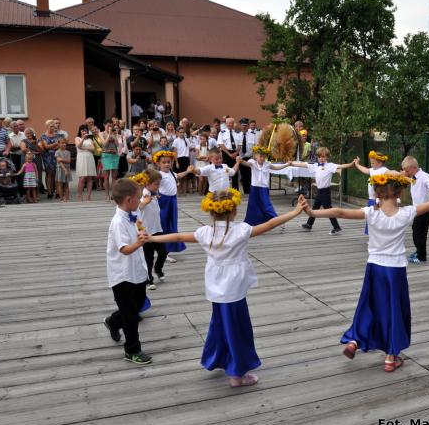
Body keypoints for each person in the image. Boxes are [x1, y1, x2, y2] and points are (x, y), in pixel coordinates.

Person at [144, 189, 309, 386]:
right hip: (235, 288)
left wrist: (152, 238)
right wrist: (297, 211)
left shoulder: (205, 232)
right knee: (237, 328)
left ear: (212, 212)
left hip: (216, 287)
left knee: (221, 324)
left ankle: (219, 358)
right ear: (233, 212)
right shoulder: (241, 230)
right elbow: (271, 223)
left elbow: (178, 237)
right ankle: (238, 374)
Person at [303, 173, 429, 371]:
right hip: (395, 270)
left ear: (377, 193)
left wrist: (312, 213)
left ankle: (354, 340)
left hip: (375, 267)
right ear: (399, 193)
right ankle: (390, 357)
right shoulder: (406, 213)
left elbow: (340, 212)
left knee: (368, 305)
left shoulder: (371, 213)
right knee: (395, 310)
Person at [103, 178, 151, 365]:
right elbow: (124, 249)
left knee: (137, 305)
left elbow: (139, 222)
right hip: (122, 274)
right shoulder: (118, 222)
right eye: (138, 198)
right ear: (129, 199)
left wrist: (142, 231)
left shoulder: (133, 211)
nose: (139, 201)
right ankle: (132, 351)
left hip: (137, 269)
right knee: (130, 315)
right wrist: (140, 243)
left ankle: (113, 322)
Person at [291, 148, 357, 235]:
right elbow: (304, 164)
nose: (321, 158)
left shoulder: (330, 166)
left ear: (327, 157)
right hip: (319, 191)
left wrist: (352, 164)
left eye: (323, 157)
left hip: (325, 191)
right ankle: (309, 224)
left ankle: (336, 227)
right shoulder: (315, 165)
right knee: (315, 208)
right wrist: (291, 163)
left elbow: (342, 166)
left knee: (328, 209)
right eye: (319, 157)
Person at [153, 150, 195, 255]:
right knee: (164, 224)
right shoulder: (159, 174)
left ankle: (169, 247)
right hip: (164, 202)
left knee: (172, 223)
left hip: (173, 201)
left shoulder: (171, 173)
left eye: (169, 162)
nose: (167, 164)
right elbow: (152, 183)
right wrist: (154, 193)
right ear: (158, 163)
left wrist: (188, 171)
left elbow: (179, 176)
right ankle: (162, 250)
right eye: (164, 162)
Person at [132, 169, 166, 290]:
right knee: (148, 257)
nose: (158, 186)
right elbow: (138, 207)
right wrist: (144, 202)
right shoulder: (144, 195)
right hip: (146, 232)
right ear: (147, 184)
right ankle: (148, 279)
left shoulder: (153, 194)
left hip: (157, 229)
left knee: (163, 252)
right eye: (156, 184)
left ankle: (158, 269)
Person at [240, 146, 291, 226]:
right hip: (255, 187)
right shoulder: (253, 163)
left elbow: (277, 168)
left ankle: (276, 220)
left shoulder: (267, 164)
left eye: (264, 157)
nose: (262, 158)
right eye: (260, 156)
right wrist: (240, 160)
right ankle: (252, 222)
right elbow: (245, 163)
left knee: (266, 204)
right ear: (256, 156)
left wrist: (287, 164)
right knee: (253, 205)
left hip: (263, 188)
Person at [400, 156, 429, 264]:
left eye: (407, 170)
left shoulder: (424, 176)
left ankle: (421, 256)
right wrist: (402, 175)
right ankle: (418, 250)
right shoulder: (414, 176)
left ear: (414, 167)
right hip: (417, 209)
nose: (406, 172)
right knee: (415, 231)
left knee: (420, 233)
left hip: (424, 209)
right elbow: (410, 180)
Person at [354, 151, 390, 235]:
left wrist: (400, 174)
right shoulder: (372, 170)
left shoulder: (384, 170)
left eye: (373, 163)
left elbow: (393, 173)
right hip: (371, 199)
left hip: (378, 200)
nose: (371, 164)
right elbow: (365, 170)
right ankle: (372, 235)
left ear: (380, 162)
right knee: (371, 218)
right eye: (371, 163)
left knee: (377, 218)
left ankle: (379, 234)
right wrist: (357, 164)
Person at [19, 128, 45, 195]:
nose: (29, 134)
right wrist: (35, 152)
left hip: (37, 160)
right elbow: (24, 149)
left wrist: (36, 144)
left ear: (33, 133)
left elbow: (41, 151)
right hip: (27, 160)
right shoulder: (23, 141)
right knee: (26, 175)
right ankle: (27, 193)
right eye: (27, 133)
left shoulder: (38, 140)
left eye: (30, 133)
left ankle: (37, 193)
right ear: (25, 134)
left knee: (37, 175)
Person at [40, 120, 61, 199]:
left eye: (53, 126)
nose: (53, 127)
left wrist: (52, 146)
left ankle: (57, 192)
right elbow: (46, 147)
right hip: (47, 157)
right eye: (51, 126)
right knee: (49, 174)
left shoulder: (58, 135)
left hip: (56, 156)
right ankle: (49, 192)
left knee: (56, 174)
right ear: (47, 126)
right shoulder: (43, 136)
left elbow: (59, 146)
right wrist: (55, 144)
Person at [75, 125, 96, 202]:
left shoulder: (90, 140)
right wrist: (83, 138)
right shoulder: (77, 138)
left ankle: (88, 196)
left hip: (89, 158)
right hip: (81, 158)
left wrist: (84, 148)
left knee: (90, 178)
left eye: (85, 130)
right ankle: (79, 196)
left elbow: (93, 149)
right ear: (80, 131)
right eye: (82, 130)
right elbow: (79, 146)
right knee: (82, 178)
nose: (84, 132)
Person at [100, 122, 120, 201]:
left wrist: (114, 135)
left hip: (114, 155)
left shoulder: (114, 134)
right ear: (104, 125)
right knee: (106, 176)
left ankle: (113, 194)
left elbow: (117, 144)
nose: (109, 127)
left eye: (111, 126)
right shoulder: (101, 133)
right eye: (108, 125)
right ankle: (107, 195)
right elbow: (104, 143)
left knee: (114, 177)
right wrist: (109, 134)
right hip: (106, 156)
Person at [172, 127, 192, 196]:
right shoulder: (176, 141)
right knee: (178, 177)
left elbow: (188, 151)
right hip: (179, 159)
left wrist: (189, 161)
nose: (182, 134)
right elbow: (175, 152)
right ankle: (178, 192)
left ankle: (184, 192)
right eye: (180, 132)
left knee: (185, 176)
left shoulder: (187, 140)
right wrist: (176, 162)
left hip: (186, 159)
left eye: (183, 132)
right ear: (177, 133)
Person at [55, 138, 71, 202]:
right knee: (60, 184)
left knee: (66, 184)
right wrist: (64, 170)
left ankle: (67, 198)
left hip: (67, 169)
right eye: (62, 143)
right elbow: (59, 162)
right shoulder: (57, 152)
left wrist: (61, 159)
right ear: (59, 144)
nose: (64, 144)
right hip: (60, 169)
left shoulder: (68, 152)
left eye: (65, 143)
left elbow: (69, 161)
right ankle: (61, 198)